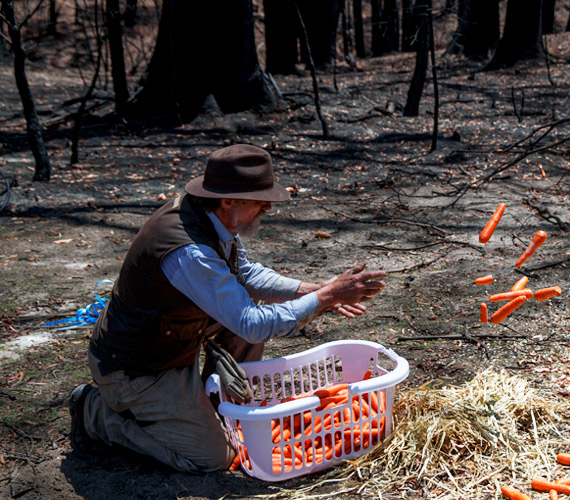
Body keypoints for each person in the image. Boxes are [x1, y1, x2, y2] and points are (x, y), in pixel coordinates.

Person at [68, 143, 386, 472]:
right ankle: (96, 414)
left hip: (177, 344)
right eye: (260, 201)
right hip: (138, 370)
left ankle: (214, 408)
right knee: (212, 459)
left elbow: (245, 274)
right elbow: (250, 323)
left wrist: (313, 290)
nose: (267, 208)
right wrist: (325, 298)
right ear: (228, 200)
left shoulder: (213, 219)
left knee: (246, 320)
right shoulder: (190, 250)